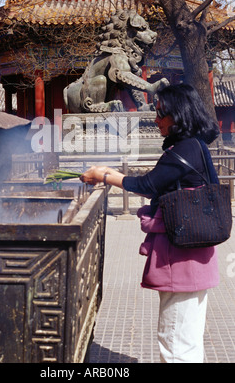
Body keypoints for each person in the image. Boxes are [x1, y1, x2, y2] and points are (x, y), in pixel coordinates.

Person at [80, 83, 220, 363]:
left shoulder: (185, 149)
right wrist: (110, 172)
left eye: (160, 113)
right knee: (186, 337)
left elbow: (148, 184)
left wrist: (104, 175)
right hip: (195, 255)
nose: (155, 120)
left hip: (183, 260)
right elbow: (157, 183)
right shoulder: (196, 145)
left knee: (176, 341)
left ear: (178, 116)